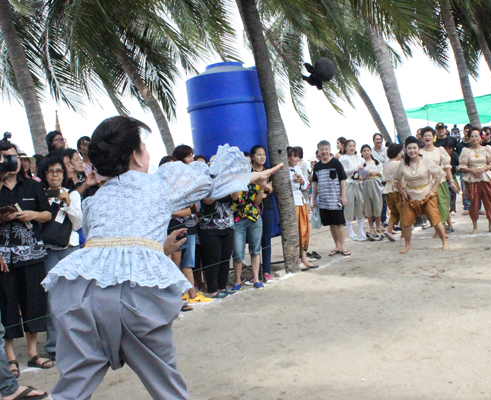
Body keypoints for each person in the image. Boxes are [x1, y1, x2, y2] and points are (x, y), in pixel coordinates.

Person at [40, 115, 282, 399]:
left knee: (71, 390)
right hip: (137, 296)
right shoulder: (159, 184)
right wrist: (256, 175)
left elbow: (112, 248)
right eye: (144, 147)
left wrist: (161, 248)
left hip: (83, 293)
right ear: (135, 155)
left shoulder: (94, 202)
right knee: (167, 388)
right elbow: (213, 181)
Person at [0, 143, 54, 377]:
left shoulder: (32, 185)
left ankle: (33, 352)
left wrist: (32, 215)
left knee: (33, 302)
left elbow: (47, 214)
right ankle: (10, 357)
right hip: (3, 256)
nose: (10, 162)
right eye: (4, 158)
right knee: (7, 303)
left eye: (13, 157)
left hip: (32, 253)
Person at [37, 155, 83, 359]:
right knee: (52, 298)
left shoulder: (73, 194)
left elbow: (78, 223)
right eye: (50, 171)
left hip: (69, 247)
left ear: (64, 174)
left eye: (58, 171)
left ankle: (78, 342)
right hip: (47, 249)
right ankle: (54, 346)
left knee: (74, 295)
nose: (55, 175)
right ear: (44, 174)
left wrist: (67, 202)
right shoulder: (38, 194)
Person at [393, 136, 449, 253]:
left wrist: (433, 190)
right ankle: (407, 245)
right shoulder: (402, 164)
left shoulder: (426, 161)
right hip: (410, 196)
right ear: (405, 150)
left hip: (427, 194)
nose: (412, 151)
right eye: (409, 148)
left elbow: (439, 175)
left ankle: (444, 242)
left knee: (435, 220)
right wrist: (403, 193)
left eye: (414, 148)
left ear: (418, 149)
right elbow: (396, 180)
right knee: (406, 222)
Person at [172, 145, 204, 296]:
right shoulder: (176, 180)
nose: (192, 159)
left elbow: (193, 206)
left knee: (189, 262)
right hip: (176, 227)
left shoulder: (193, 177)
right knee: (177, 263)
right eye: (188, 156)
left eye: (192, 155)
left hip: (191, 225)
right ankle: (181, 294)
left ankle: (192, 294)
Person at [197, 186, 239, 299]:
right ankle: (212, 290)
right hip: (209, 227)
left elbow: (235, 198)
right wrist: (219, 186)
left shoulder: (227, 182)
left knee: (225, 258)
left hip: (227, 225)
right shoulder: (208, 184)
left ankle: (222, 287)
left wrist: (235, 184)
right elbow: (208, 201)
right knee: (214, 259)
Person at [231, 172, 270, 291]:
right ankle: (237, 280)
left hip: (254, 217)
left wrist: (262, 188)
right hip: (238, 218)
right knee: (237, 251)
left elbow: (257, 202)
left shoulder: (255, 180)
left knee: (255, 249)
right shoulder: (234, 180)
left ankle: (256, 279)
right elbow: (235, 198)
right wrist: (240, 182)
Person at [311, 140, 349, 257]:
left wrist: (343, 195)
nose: (324, 152)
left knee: (339, 224)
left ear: (330, 150)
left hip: (335, 200)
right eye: (322, 150)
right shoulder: (317, 166)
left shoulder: (336, 163)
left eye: (326, 149)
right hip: (323, 201)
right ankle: (337, 246)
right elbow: (315, 184)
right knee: (331, 224)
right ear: (318, 151)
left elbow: (343, 180)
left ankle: (343, 247)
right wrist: (314, 200)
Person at [458, 127, 491, 234]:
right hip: (472, 178)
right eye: (472, 136)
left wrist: (484, 168)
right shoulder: (466, 151)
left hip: (486, 177)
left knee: (489, 201)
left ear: (481, 137)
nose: (474, 138)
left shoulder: (487, 149)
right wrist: (471, 170)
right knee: (473, 202)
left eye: (477, 136)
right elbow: (462, 165)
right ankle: (475, 226)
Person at [421, 127, 460, 233]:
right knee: (431, 208)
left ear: (433, 137)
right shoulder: (419, 152)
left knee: (443, 205)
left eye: (429, 135)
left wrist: (451, 181)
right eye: (425, 136)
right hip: (425, 184)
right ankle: (439, 230)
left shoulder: (440, 150)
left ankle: (442, 229)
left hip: (440, 182)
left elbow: (447, 167)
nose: (427, 138)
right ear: (422, 138)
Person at [288, 147, 317, 270]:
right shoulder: (285, 171)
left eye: (298, 156)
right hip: (292, 202)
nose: (297, 159)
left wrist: (301, 181)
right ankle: (298, 259)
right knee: (297, 230)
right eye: (294, 156)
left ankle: (304, 257)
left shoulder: (298, 168)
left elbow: (305, 186)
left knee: (304, 230)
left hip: (301, 201)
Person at [249, 145, 274, 284]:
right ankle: (256, 273)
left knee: (266, 241)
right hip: (251, 210)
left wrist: (264, 189)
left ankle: (266, 271)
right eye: (259, 154)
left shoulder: (268, 171)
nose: (262, 157)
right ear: (253, 156)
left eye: (264, 154)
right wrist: (263, 188)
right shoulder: (249, 172)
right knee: (254, 243)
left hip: (267, 209)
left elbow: (271, 188)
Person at [339, 140, 366, 241]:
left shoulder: (359, 158)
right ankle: (350, 231)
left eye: (353, 146)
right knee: (349, 206)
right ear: (345, 147)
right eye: (350, 146)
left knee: (360, 206)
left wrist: (362, 174)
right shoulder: (343, 158)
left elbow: (363, 170)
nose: (352, 148)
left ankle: (361, 230)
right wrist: (356, 168)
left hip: (359, 184)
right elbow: (344, 171)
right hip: (349, 183)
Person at [360, 144, 384, 240]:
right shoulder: (361, 164)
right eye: (364, 151)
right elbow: (358, 176)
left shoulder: (376, 162)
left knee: (377, 205)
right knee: (368, 206)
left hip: (376, 184)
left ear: (371, 152)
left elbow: (382, 174)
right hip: (365, 185)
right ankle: (371, 228)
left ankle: (378, 227)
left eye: (368, 150)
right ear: (362, 153)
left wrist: (377, 173)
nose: (366, 152)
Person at [383, 144, 403, 241]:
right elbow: (401, 177)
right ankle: (404, 233)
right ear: (398, 153)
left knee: (394, 212)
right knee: (403, 211)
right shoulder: (399, 163)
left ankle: (389, 229)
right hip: (397, 189)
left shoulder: (386, 164)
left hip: (388, 189)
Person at [371, 133, 388, 225]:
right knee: (375, 200)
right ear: (373, 141)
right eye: (376, 139)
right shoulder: (371, 151)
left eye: (379, 139)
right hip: (374, 179)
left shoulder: (386, 150)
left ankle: (383, 219)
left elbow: (387, 162)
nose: (378, 141)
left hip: (384, 177)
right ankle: (375, 220)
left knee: (383, 200)